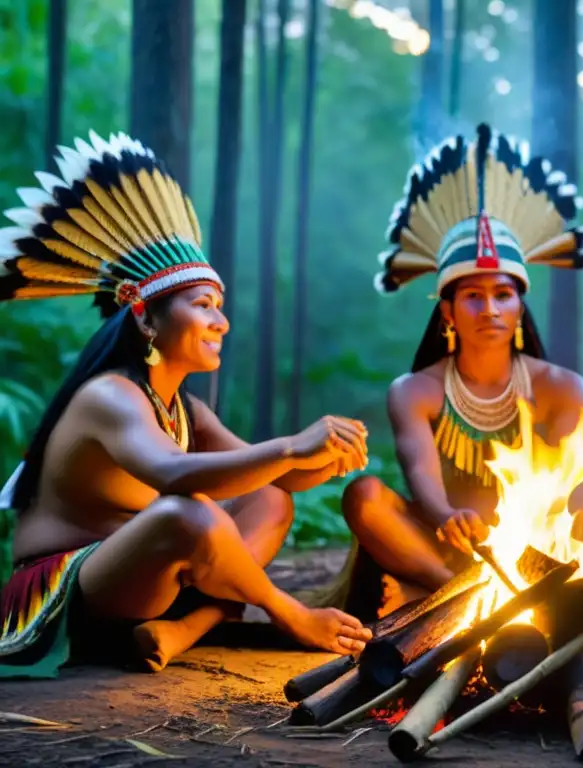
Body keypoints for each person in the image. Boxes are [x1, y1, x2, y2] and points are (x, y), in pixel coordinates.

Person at [0, 131, 373, 678]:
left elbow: (273, 481)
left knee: (268, 501)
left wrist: (324, 456)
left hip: (148, 587)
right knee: (186, 512)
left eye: (220, 306)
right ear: (146, 318)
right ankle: (288, 616)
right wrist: (293, 445)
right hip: (65, 594)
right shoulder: (110, 395)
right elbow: (174, 476)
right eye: (203, 305)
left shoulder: (183, 409)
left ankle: (181, 630)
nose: (221, 321)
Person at [316, 123, 583, 621]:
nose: (489, 308)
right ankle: (469, 599)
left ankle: (536, 595)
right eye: (472, 295)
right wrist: (448, 517)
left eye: (502, 294)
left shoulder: (561, 388)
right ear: (447, 312)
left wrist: (541, 547)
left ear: (519, 305)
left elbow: (572, 501)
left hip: (549, 555)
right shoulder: (416, 391)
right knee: (365, 497)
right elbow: (420, 474)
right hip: (448, 552)